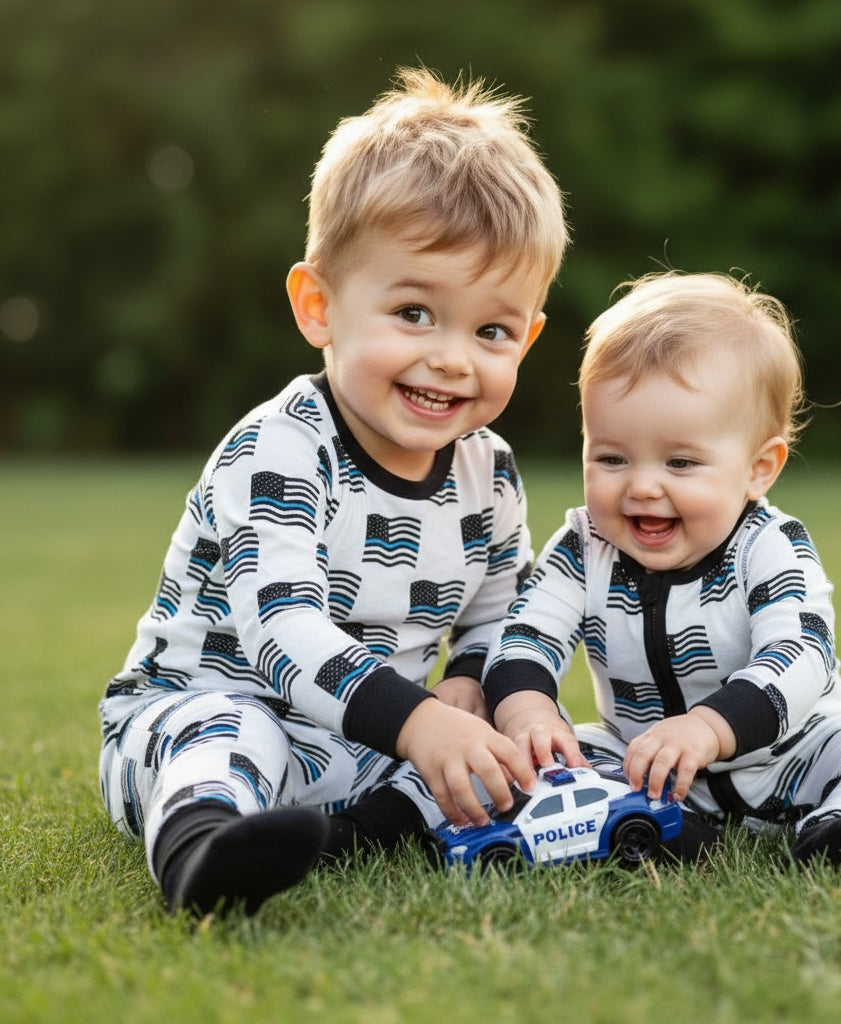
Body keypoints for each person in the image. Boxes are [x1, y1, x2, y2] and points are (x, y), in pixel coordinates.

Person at [98, 67, 569, 916]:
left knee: (499, 757)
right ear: (319, 307)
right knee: (232, 738)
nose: (453, 356)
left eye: (492, 329)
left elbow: (502, 608)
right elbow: (283, 631)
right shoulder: (281, 447)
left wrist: (470, 681)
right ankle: (204, 850)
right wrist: (423, 722)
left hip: (352, 737)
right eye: (415, 313)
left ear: (528, 339)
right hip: (194, 717)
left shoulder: (487, 470)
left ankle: (346, 839)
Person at [482, 271, 841, 869]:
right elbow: (524, 636)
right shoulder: (583, 547)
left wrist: (707, 728)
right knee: (534, 761)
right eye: (612, 457)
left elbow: (799, 656)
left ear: (758, 468)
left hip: (788, 757)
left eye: (680, 461)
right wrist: (530, 715)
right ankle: (669, 832)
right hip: (642, 761)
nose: (643, 486)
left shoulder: (770, 546)